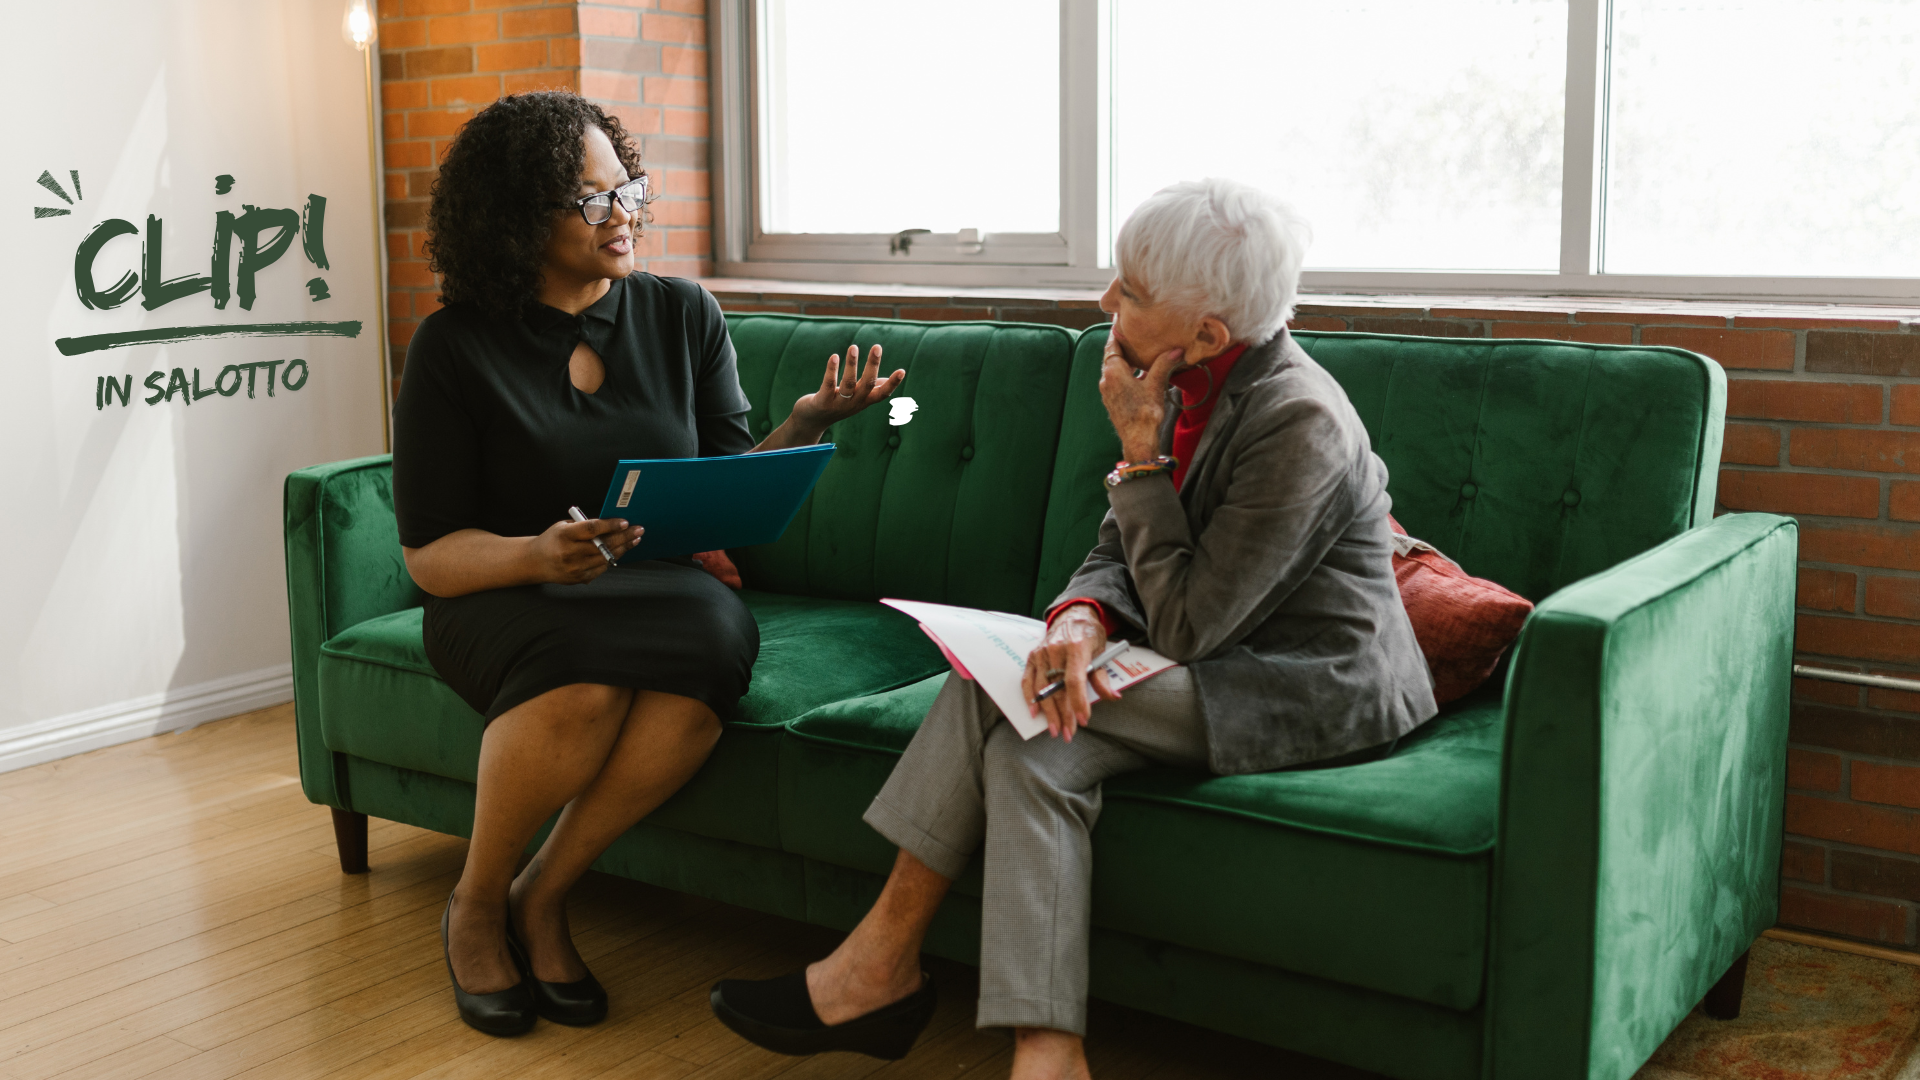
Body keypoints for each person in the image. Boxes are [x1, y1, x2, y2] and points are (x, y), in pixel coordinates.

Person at [707, 179, 1438, 1078]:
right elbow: (1117, 550)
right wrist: (1084, 620)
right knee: (1032, 752)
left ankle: (876, 968)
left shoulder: (1298, 421)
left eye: (1128, 290)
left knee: (989, 688)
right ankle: (1047, 1055)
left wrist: (1140, 457)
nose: (1105, 304)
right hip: (1217, 659)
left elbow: (1190, 625)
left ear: (1208, 329)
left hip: (1305, 685)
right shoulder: (1189, 379)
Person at [391, 91, 903, 1037]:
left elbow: (724, 487)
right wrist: (536, 552)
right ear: (518, 221)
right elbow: (428, 556)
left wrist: (804, 428)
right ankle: (475, 902)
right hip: (500, 591)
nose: (623, 212)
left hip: (651, 588)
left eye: (626, 187)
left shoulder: (682, 314)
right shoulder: (453, 349)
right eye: (591, 201)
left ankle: (544, 894)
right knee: (584, 686)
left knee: (710, 641)